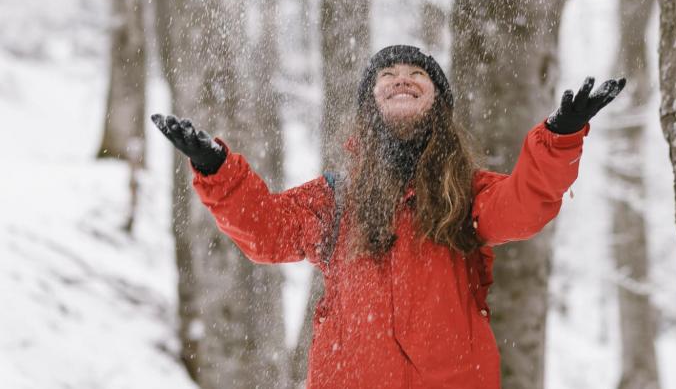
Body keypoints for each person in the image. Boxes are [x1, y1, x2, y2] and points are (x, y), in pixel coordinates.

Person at [151, 44, 625, 389]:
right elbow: (267, 232)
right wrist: (217, 168)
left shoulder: (466, 192)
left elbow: (524, 208)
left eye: (418, 72)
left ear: (438, 100)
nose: (402, 77)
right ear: (369, 104)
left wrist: (560, 136)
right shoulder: (336, 198)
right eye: (388, 73)